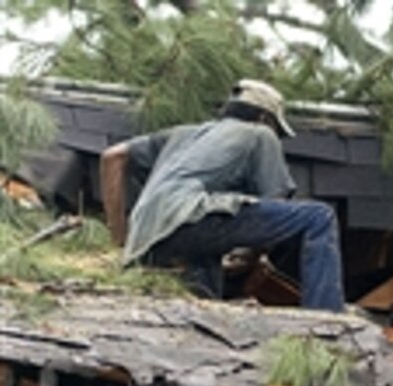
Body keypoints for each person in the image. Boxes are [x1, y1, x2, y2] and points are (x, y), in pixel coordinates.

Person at [101, 79, 345, 312]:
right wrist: (255, 256)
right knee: (319, 217)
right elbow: (275, 202)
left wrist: (119, 239)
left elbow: (112, 157)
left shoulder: (183, 134)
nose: (277, 138)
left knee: (206, 265)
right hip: (190, 215)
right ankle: (327, 317)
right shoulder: (260, 133)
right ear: (263, 118)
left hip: (147, 237)